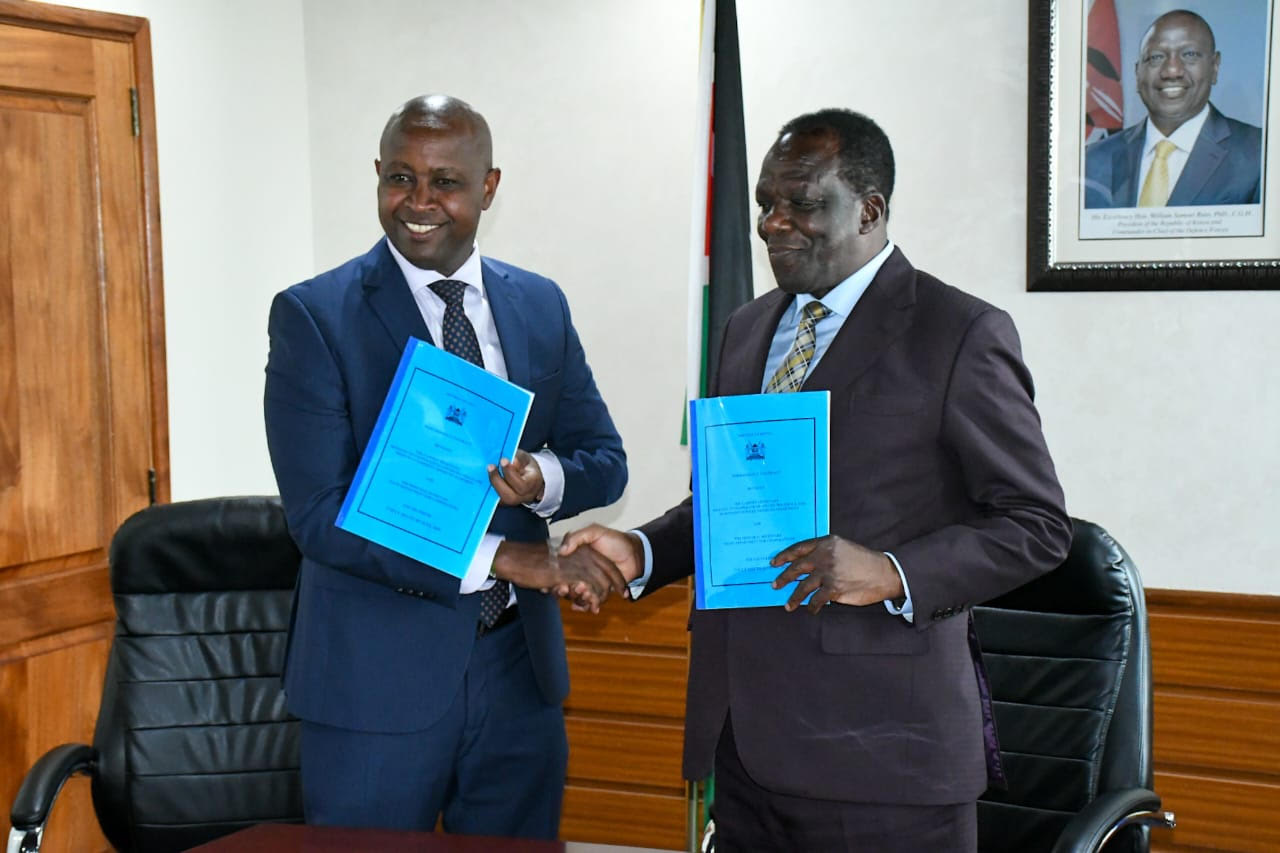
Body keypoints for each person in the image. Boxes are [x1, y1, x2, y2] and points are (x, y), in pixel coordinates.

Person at [561, 109, 1071, 852]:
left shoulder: (957, 332)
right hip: (745, 745)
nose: (773, 223)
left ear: (870, 209)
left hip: (884, 762)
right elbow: (737, 503)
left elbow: (1036, 524)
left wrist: (892, 572)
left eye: (801, 203)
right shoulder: (746, 328)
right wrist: (640, 550)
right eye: (767, 202)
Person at [263, 94, 629, 839]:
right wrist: (506, 557)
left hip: (518, 677)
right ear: (376, 175)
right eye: (400, 178)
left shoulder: (539, 305)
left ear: (489, 187)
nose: (419, 203)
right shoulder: (314, 316)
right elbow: (320, 515)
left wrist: (541, 477)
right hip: (374, 683)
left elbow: (605, 461)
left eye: (446, 183)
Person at [1084, 9, 1262, 208]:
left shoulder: (1260, 154)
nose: (1172, 70)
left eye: (1190, 54)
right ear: (1137, 73)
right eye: (1156, 57)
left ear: (1214, 67)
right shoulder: (1091, 160)